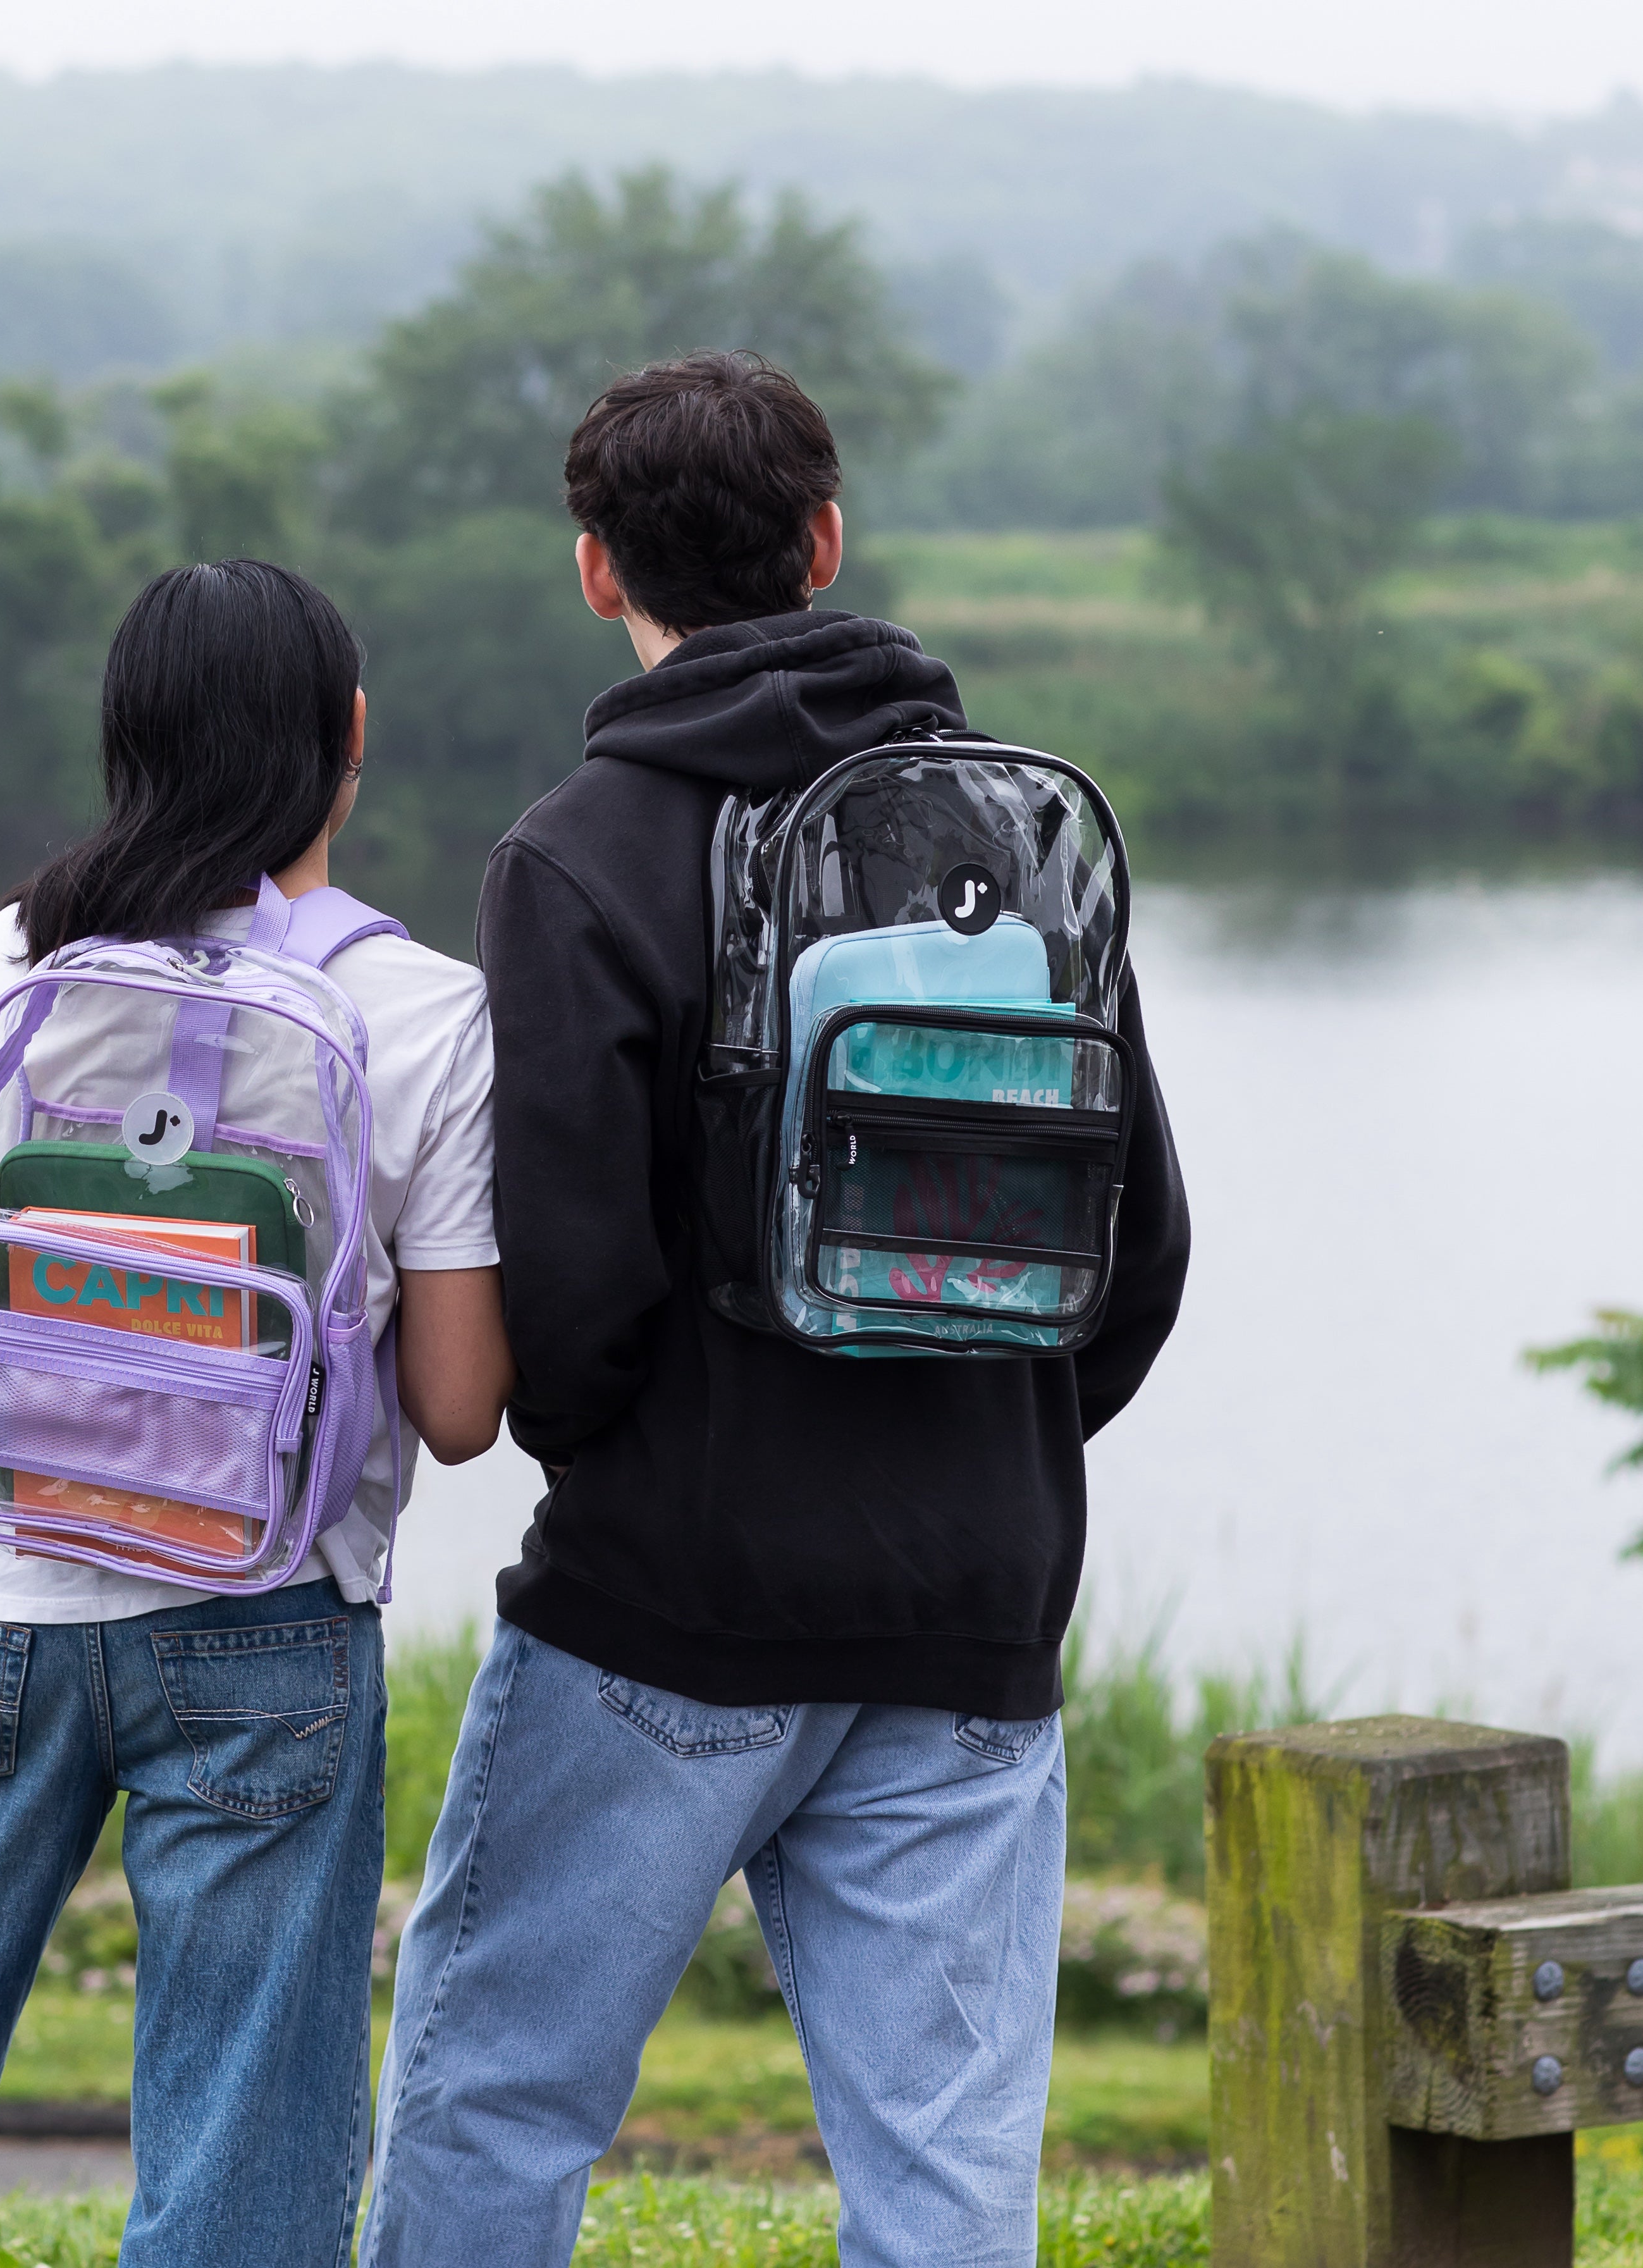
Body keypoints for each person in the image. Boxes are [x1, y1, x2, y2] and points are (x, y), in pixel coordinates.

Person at [361, 354, 1191, 2268]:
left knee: (499, 2094)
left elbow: (567, 1299)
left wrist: (661, 1470)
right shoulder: (1015, 836)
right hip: (973, 1597)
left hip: (669, 1603)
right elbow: (1132, 1262)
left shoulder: (575, 851)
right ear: (826, 540)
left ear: (594, 572)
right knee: (944, 2167)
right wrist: (984, 1452)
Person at [0, 560, 512, 2268]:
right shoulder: (426, 1011)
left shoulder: (19, 954)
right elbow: (457, 1409)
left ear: (125, 738)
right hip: (266, 1626)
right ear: (347, 738)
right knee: (245, 2140)